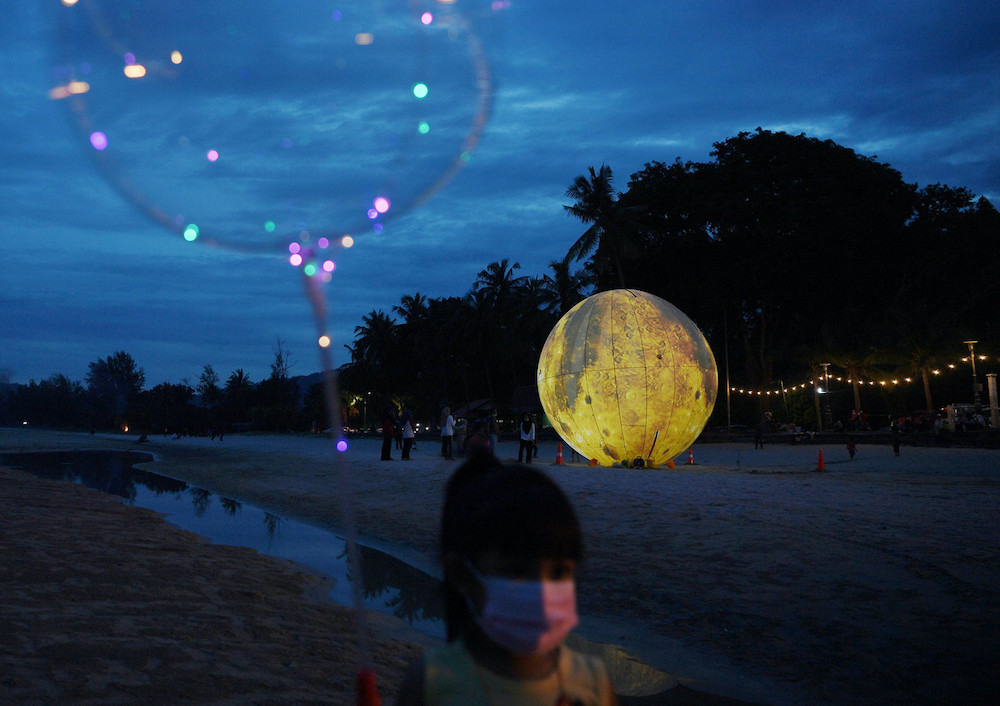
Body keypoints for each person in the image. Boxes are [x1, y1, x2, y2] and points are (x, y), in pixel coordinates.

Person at [394, 457, 617, 705]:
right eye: (517, 572)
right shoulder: (432, 683)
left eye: (558, 572)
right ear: (462, 574)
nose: (541, 592)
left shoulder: (592, 684)